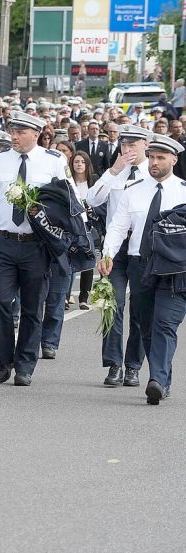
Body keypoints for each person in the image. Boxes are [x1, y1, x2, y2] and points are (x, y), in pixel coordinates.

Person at [0, 110, 68, 387]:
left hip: (36, 245)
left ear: (36, 135)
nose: (14, 136)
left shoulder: (53, 161)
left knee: (31, 308)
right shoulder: (0, 161)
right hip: (4, 242)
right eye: (12, 131)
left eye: (20, 132)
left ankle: (25, 364)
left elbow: (65, 201)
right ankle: (5, 360)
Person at [99, 134, 186, 405]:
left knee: (165, 324)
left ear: (174, 159)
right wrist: (108, 253)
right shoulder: (134, 190)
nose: (155, 162)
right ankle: (163, 378)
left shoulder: (184, 191)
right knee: (146, 326)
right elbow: (117, 226)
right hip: (141, 266)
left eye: (161, 158)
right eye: (152, 157)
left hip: (175, 270)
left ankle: (156, 380)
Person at [84, 124, 151, 387]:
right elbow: (92, 199)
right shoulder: (116, 174)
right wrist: (113, 171)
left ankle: (133, 366)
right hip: (116, 247)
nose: (128, 149)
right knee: (113, 304)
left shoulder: (152, 172)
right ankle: (114, 364)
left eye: (133, 144)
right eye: (124, 144)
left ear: (145, 145)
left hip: (143, 247)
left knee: (140, 310)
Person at [69, 151, 97, 310]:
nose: (79, 164)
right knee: (68, 260)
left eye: (82, 162)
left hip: (88, 227)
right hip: (71, 226)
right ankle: (66, 296)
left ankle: (83, 298)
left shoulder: (93, 181)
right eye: (76, 162)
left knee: (88, 260)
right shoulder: (68, 181)